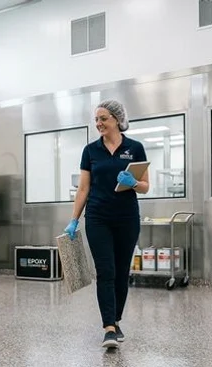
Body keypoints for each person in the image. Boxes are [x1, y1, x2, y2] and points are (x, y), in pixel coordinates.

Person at [65, 100, 149, 349]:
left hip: (127, 218)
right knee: (106, 271)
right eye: (97, 120)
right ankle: (109, 328)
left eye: (103, 118)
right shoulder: (90, 151)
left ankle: (116, 319)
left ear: (117, 119)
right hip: (98, 217)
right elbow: (83, 188)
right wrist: (73, 220)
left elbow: (145, 186)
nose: (99, 124)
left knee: (122, 272)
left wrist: (133, 182)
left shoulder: (135, 148)